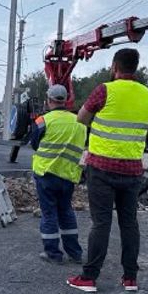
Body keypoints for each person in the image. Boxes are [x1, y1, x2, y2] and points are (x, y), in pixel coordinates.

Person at [67, 48, 148, 293]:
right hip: (133, 169)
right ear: (135, 67)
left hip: (102, 168)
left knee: (101, 223)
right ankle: (130, 278)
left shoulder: (105, 90)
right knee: (129, 223)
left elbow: (81, 118)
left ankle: (89, 278)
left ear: (115, 66)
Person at [30, 85, 87, 264]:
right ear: (66, 99)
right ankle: (75, 253)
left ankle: (53, 254)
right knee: (66, 211)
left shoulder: (43, 121)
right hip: (68, 175)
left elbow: (34, 144)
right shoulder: (80, 122)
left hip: (46, 174)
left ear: (49, 100)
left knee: (49, 214)